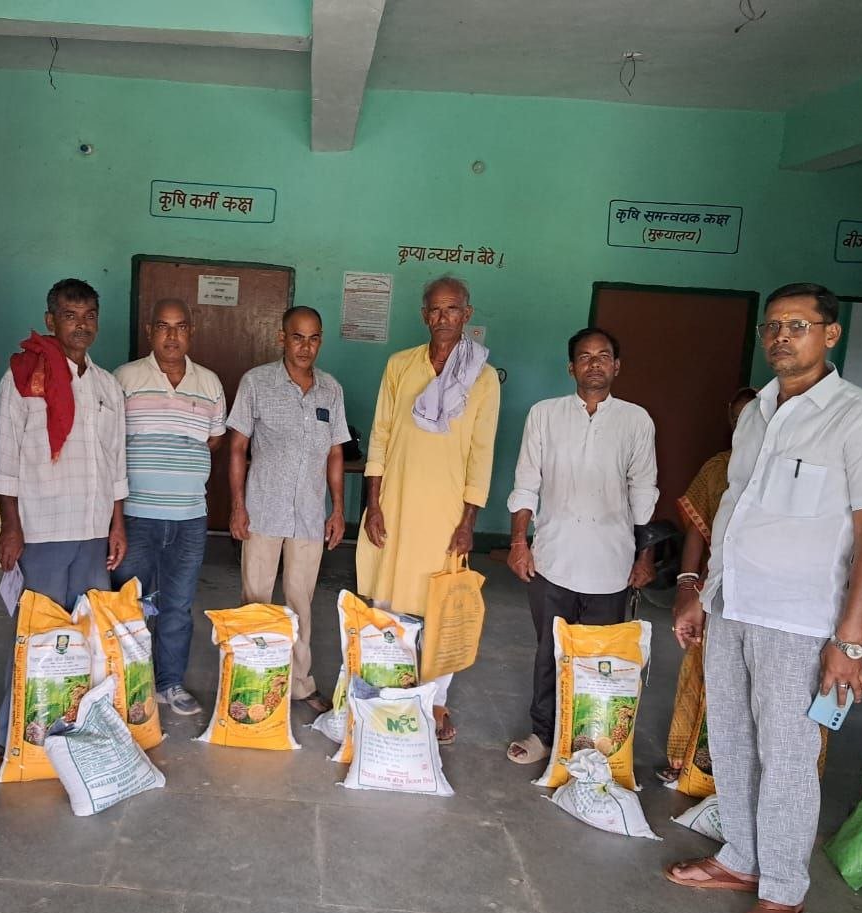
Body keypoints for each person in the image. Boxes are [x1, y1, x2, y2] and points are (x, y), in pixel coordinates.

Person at [668, 283, 862, 913]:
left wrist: (851, 641)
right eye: (773, 326)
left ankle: (783, 891)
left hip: (800, 621)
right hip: (732, 606)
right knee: (734, 745)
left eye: (797, 326)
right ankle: (739, 856)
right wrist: (701, 592)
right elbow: (735, 513)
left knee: (789, 756)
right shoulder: (757, 411)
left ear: (830, 335)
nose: (780, 337)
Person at [0, 278, 127, 775]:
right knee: (35, 636)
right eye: (70, 315)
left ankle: (83, 730)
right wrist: (10, 527)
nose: (81, 324)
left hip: (92, 530)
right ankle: (14, 736)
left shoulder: (108, 385)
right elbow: (5, 459)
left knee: (91, 638)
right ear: (50, 320)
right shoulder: (25, 376)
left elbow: (115, 464)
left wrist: (117, 524)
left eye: (89, 315)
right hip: (42, 529)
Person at [355, 275, 501, 745]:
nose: (443, 319)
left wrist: (468, 522)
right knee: (390, 604)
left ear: (467, 314)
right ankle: (387, 693)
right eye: (435, 311)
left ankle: (434, 701)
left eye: (452, 310)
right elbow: (379, 435)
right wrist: (373, 503)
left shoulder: (481, 378)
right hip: (395, 505)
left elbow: (482, 453)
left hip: (444, 515)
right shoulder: (400, 366)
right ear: (424, 316)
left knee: (440, 612)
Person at [506, 326, 658, 765]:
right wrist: (520, 542)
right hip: (552, 558)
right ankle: (543, 734)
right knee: (551, 654)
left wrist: (644, 555)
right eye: (585, 357)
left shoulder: (635, 420)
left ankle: (591, 746)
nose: (594, 363)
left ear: (616, 366)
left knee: (600, 661)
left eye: (603, 356)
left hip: (612, 563)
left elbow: (643, 491)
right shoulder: (545, 414)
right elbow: (526, 483)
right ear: (571, 367)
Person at [227, 306, 349, 714]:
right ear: (282, 338)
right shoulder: (256, 383)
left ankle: (299, 683)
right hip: (262, 509)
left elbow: (335, 452)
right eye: (298, 337)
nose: (305, 346)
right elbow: (238, 447)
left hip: (310, 515)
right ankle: (251, 678)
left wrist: (337, 509)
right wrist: (238, 507)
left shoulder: (330, 389)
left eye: (314, 338)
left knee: (300, 601)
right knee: (256, 598)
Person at [112, 299, 226, 715]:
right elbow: (111, 444)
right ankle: (129, 687)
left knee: (177, 605)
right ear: (149, 331)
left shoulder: (210, 383)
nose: (172, 336)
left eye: (180, 327)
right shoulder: (124, 378)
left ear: (190, 332)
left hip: (190, 517)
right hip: (136, 515)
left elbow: (213, 439)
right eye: (163, 326)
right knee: (130, 604)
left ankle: (169, 684)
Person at [659, 386, 757, 783]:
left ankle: (737, 777)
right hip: (715, 588)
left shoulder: (779, 471)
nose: (744, 426)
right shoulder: (719, 468)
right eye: (738, 419)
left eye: (753, 418)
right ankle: (688, 761)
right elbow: (697, 530)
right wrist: (687, 585)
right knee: (702, 670)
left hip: (762, 596)